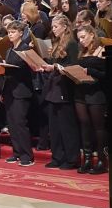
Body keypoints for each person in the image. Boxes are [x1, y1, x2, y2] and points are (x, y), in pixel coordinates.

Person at [41, 14, 81, 170]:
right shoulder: (56, 42)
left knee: (67, 126)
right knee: (55, 127)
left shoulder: (71, 43)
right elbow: (53, 64)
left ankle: (71, 159)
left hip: (65, 87)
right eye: (52, 26)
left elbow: (74, 65)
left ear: (65, 27)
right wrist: (46, 65)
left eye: (56, 26)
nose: (53, 29)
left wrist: (55, 67)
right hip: (54, 88)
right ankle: (57, 157)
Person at [1, 21, 35, 166]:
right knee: (12, 123)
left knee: (20, 123)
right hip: (9, 90)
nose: (10, 34)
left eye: (13, 32)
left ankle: (27, 155)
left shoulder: (26, 49)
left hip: (21, 90)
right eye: (9, 32)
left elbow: (26, 69)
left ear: (21, 33)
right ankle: (17, 152)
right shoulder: (9, 50)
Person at [75, 25, 107, 175]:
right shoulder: (82, 51)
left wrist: (90, 71)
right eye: (79, 38)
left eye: (83, 37)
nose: (81, 41)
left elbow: (107, 74)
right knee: (85, 125)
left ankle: (101, 160)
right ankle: (87, 159)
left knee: (98, 127)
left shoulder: (101, 49)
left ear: (92, 35)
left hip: (96, 92)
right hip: (81, 92)